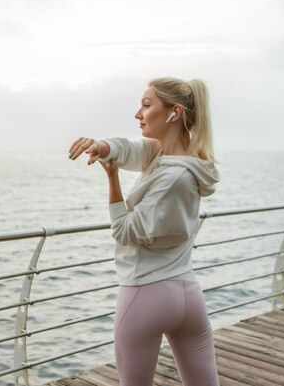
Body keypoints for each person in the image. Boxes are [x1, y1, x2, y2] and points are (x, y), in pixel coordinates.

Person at [68, 77, 220, 386]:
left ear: (174, 113)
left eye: (147, 106)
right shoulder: (183, 162)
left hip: (145, 294)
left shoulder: (170, 177)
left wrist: (112, 179)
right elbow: (129, 150)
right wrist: (102, 146)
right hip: (188, 294)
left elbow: (124, 230)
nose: (138, 114)